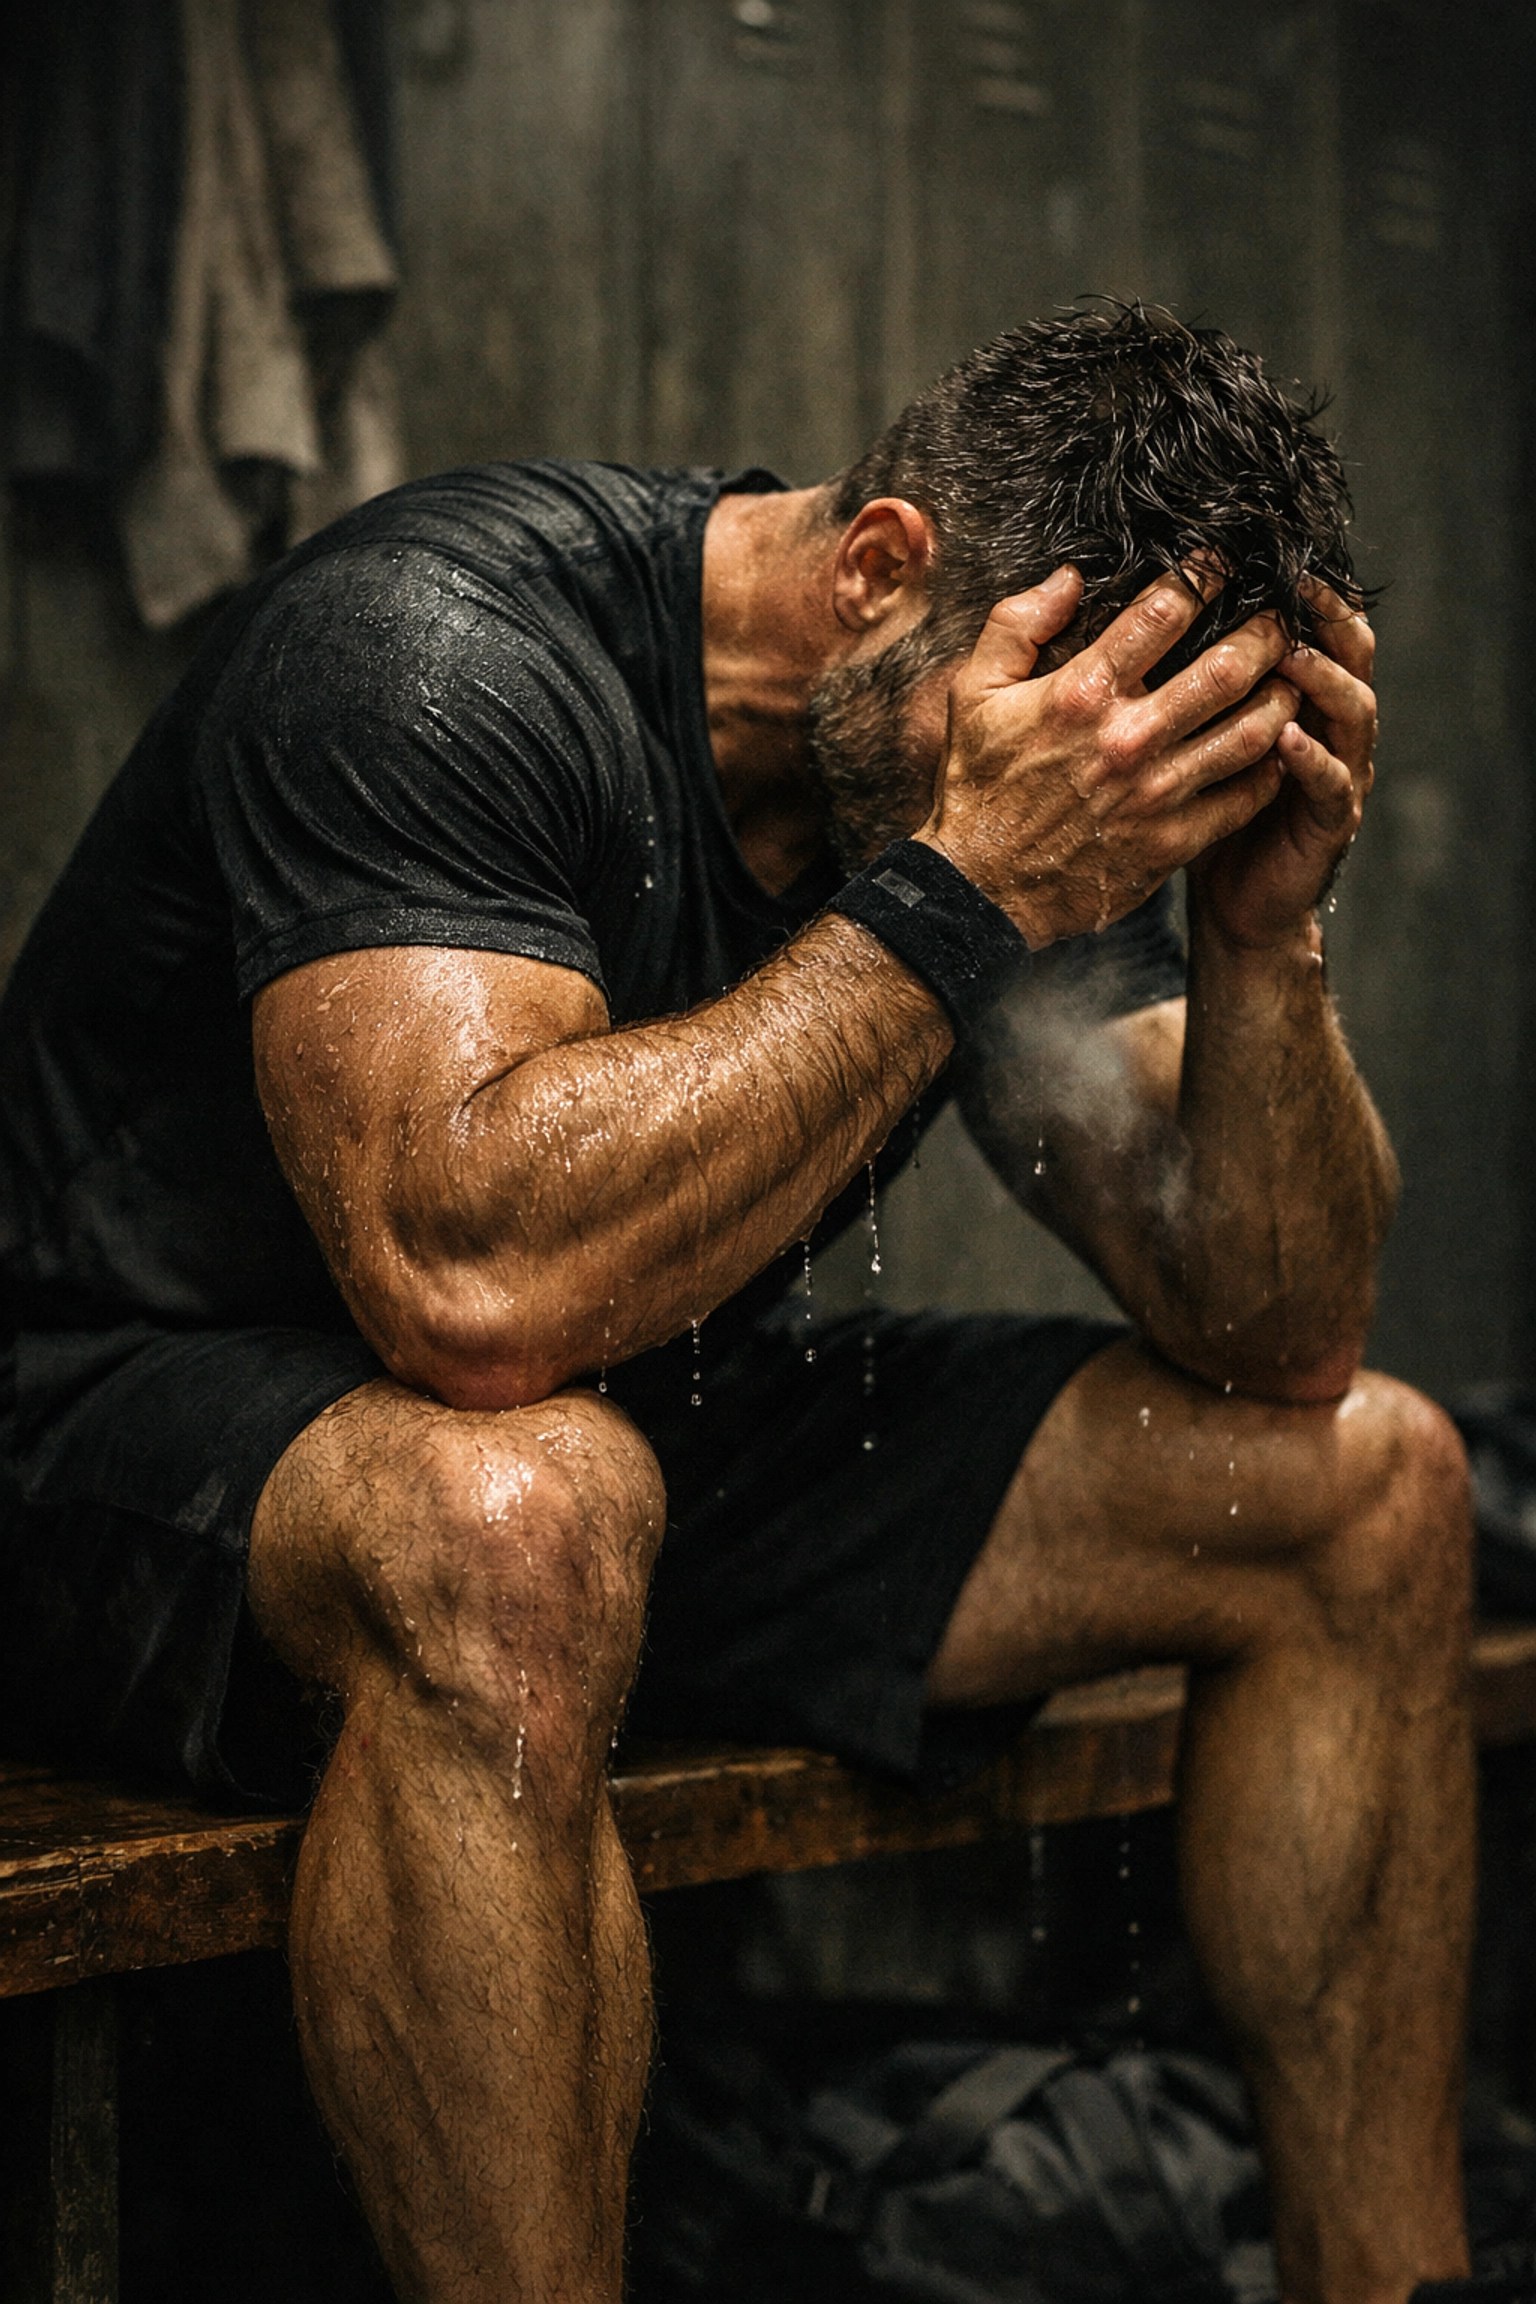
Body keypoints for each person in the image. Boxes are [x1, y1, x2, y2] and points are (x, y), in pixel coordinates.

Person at [0, 305, 1479, 2304]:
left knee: (1370, 1488)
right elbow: (473, 1279)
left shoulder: (1024, 769)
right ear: (877, 572)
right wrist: (967, 889)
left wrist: (1261, 925)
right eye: (1073, 793)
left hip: (628, 1440)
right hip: (131, 1438)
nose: (1086, 837)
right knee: (523, 1514)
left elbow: (1276, 1320)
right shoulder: (438, 651)